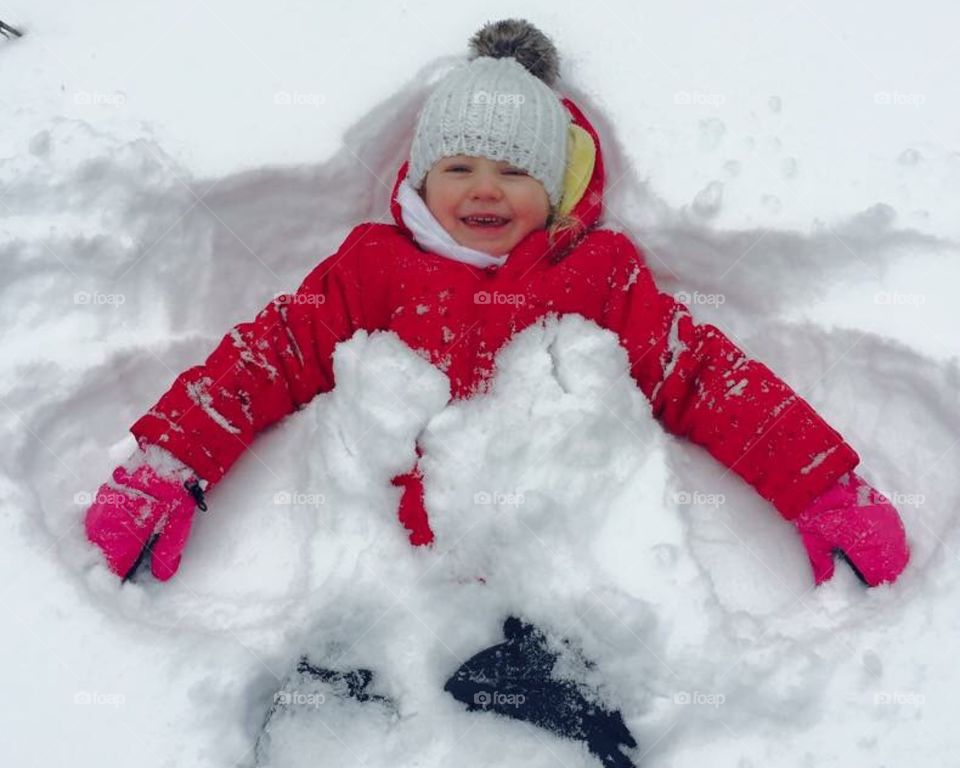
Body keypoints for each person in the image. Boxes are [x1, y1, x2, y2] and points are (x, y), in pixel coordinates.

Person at [83, 19, 909, 765]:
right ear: (421, 175)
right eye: (460, 166)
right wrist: (170, 459)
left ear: (553, 186)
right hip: (389, 573)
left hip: (542, 574)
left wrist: (820, 482)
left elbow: (703, 375)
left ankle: (547, 697)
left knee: (543, 677)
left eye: (515, 170)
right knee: (361, 672)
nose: (485, 189)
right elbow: (268, 354)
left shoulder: (597, 276)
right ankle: (348, 695)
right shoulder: (372, 268)